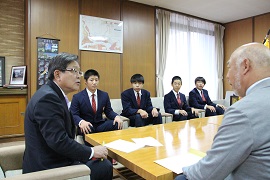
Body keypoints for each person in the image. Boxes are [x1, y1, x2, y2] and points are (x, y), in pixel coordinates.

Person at [175, 42, 270, 180]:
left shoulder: (241, 111)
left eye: (229, 67)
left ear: (245, 66)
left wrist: (184, 169)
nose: (227, 76)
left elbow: (207, 173)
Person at [23, 53, 112, 180]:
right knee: (104, 166)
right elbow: (59, 141)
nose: (78, 76)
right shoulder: (48, 99)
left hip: (53, 156)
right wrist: (92, 152)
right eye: (74, 71)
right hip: (48, 166)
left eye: (79, 72)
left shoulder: (52, 94)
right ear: (58, 74)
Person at [70, 69, 123, 146]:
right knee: (88, 128)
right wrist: (81, 122)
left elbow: (108, 111)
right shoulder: (77, 97)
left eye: (96, 80)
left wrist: (116, 116)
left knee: (116, 123)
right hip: (86, 125)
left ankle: (112, 148)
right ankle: (93, 153)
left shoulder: (104, 95)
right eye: (91, 80)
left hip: (100, 124)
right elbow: (73, 114)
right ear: (85, 81)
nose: (94, 82)